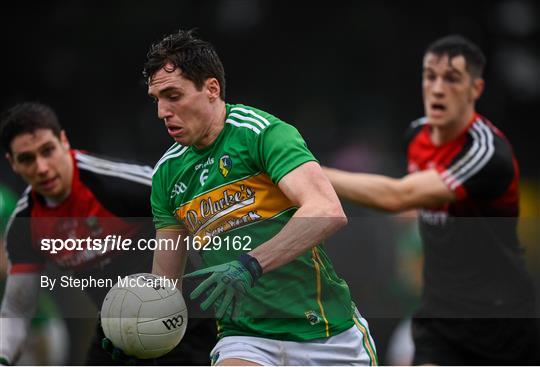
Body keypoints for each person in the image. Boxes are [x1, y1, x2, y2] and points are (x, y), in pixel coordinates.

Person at [140, 29, 378, 366]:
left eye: (173, 95)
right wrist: (141, 335)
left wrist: (250, 264)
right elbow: (165, 285)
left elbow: (326, 210)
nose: (162, 111)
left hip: (325, 332)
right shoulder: (166, 174)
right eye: (156, 99)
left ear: (212, 89)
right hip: (245, 337)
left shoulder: (261, 133)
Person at [323, 35, 539, 365]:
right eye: (430, 76)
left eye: (451, 78)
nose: (437, 88)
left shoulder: (486, 150)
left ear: (475, 90)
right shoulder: (418, 136)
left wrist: (307, 170)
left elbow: (398, 196)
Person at [0, 102, 216, 365]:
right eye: (27, 158)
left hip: (185, 321)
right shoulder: (25, 224)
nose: (42, 167)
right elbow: (17, 310)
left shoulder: (114, 185)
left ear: (64, 141)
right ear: (12, 163)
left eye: (47, 151)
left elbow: (198, 210)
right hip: (118, 331)